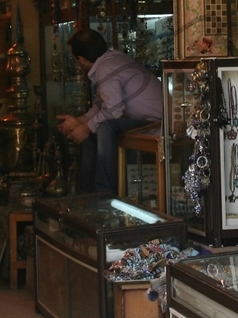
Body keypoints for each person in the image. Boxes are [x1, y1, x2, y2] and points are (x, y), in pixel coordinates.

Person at [55, 28, 162, 194]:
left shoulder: (106, 67)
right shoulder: (110, 61)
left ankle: (104, 193)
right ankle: (88, 194)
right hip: (146, 120)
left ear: (81, 60)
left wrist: (85, 128)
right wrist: (80, 122)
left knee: (105, 127)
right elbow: (102, 106)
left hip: (157, 124)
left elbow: (114, 112)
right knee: (95, 131)